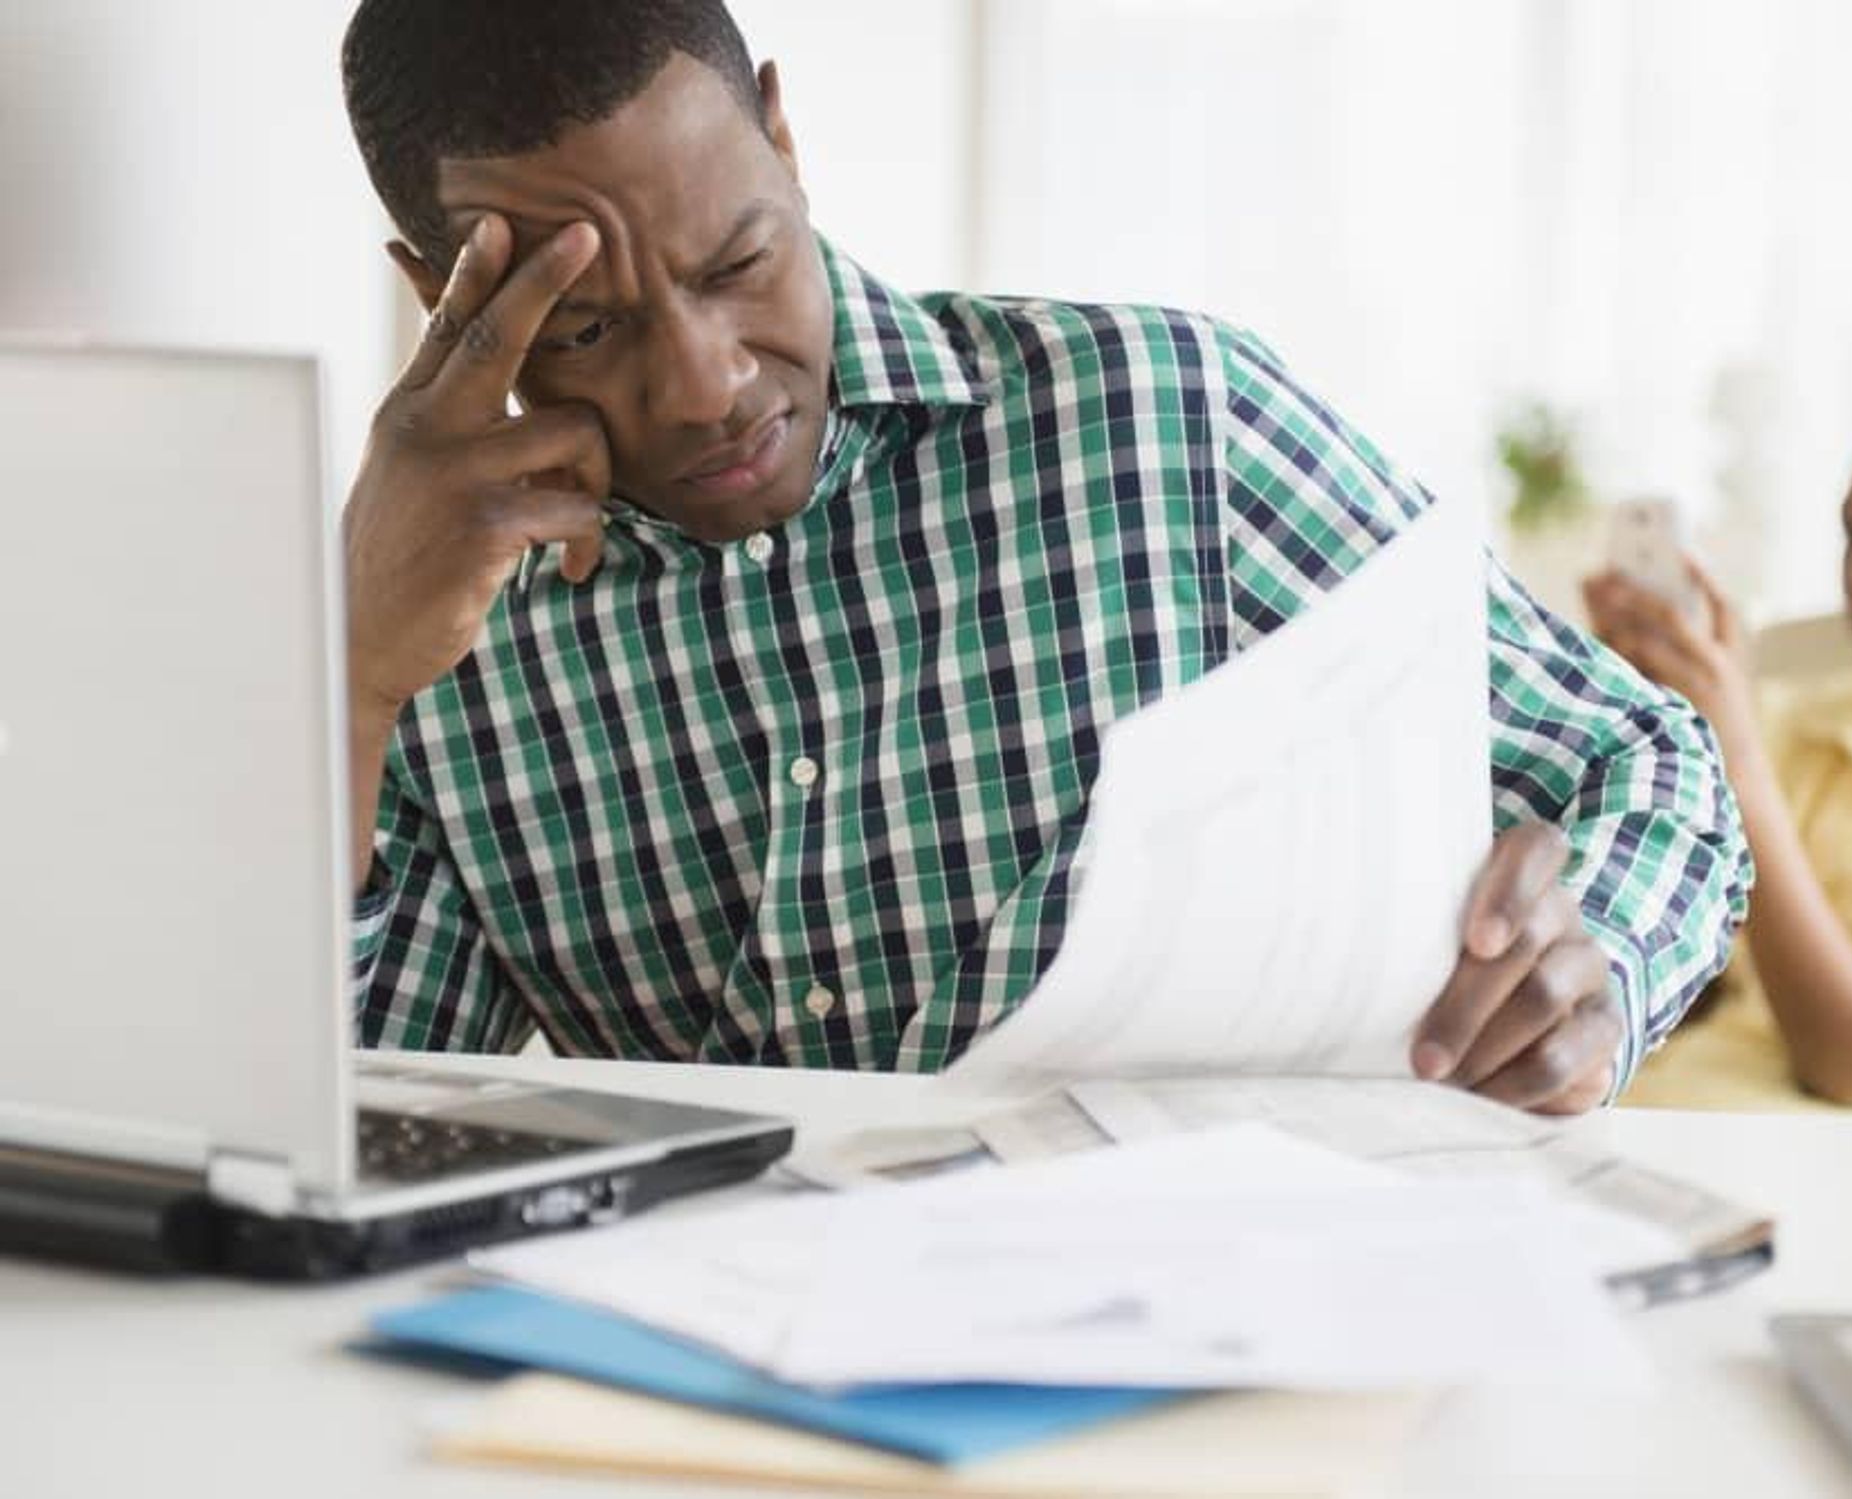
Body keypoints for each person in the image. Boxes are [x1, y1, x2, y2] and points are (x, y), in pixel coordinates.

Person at [337, 0, 1748, 1113]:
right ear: (435, 292)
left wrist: (1595, 964)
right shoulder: (434, 632)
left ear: (783, 138)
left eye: (737, 264)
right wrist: (346, 685)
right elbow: (349, 1105)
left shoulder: (1164, 417)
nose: (707, 385)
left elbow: (1642, 756)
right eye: (586, 329)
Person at [1589, 366, 1852, 1120]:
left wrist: (1735, 760)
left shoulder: (1752, 734)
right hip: (1664, 1108)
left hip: (1849, 1157)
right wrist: (1633, 716)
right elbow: (1675, 973)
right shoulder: (1788, 719)